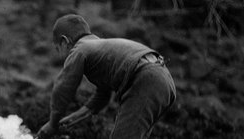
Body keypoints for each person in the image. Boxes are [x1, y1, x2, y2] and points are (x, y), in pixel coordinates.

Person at [36, 14, 176, 139]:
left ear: (64, 41)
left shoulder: (80, 50)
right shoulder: (101, 49)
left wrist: (52, 124)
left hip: (145, 80)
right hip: (164, 80)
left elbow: (63, 88)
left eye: (57, 49)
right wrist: (77, 116)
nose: (59, 55)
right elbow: (102, 96)